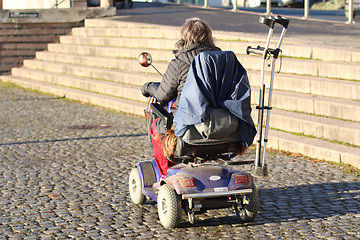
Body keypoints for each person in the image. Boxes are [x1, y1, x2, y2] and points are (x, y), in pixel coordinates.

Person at [141, 17, 221, 177]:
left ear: (185, 38)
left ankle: (165, 173)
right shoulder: (222, 58)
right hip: (220, 123)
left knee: (156, 125)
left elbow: (163, 95)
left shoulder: (180, 61)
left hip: (187, 125)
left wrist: (148, 87)